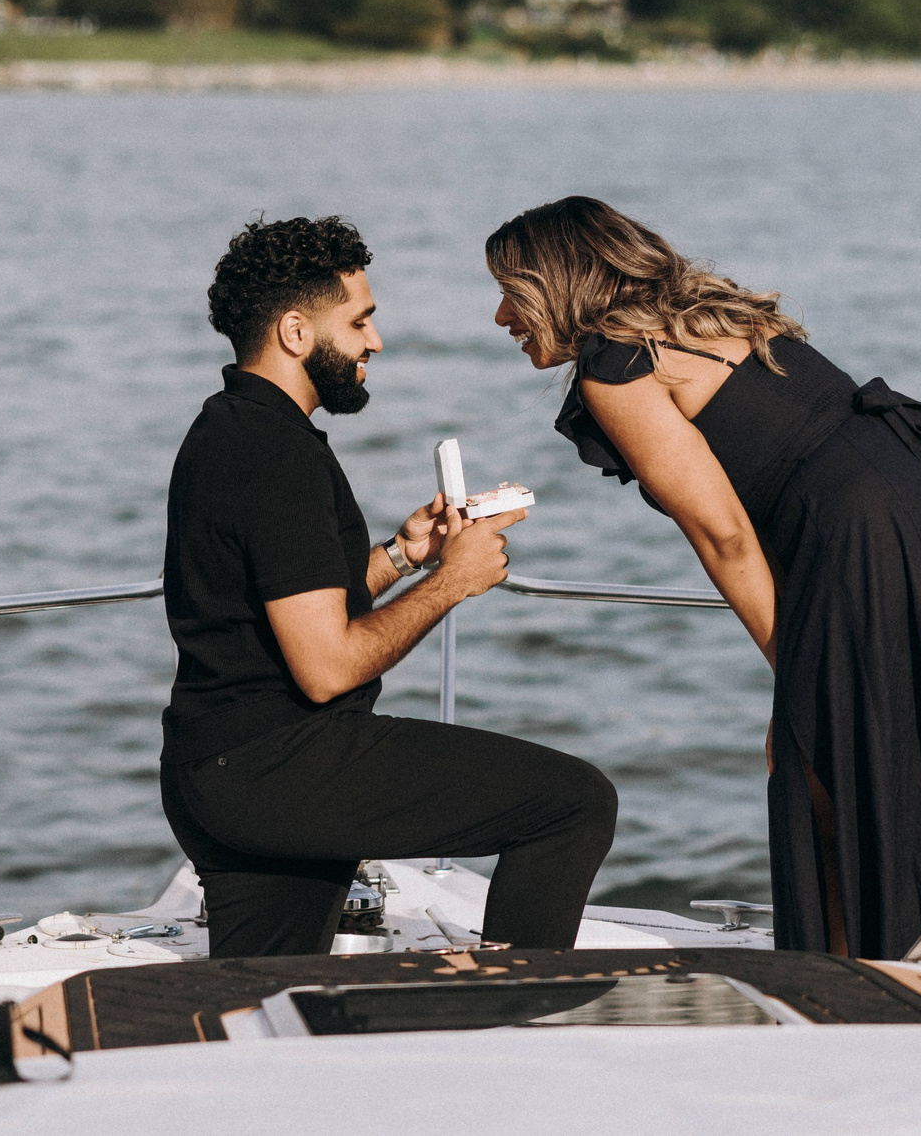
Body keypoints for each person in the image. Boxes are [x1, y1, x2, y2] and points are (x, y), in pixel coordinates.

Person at [485, 196, 921, 972]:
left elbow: (723, 534)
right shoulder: (708, 315)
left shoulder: (618, 368)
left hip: (862, 536)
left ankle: (860, 991)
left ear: (556, 282)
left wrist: (796, 680)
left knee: (821, 767)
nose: (500, 315)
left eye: (510, 291)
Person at [160, 214, 617, 958]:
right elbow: (326, 665)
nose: (375, 342)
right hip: (283, 767)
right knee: (571, 803)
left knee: (269, 991)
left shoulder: (228, 431)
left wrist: (405, 556)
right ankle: (512, 1016)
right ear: (296, 332)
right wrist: (453, 584)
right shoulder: (275, 456)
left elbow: (282, 600)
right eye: (361, 321)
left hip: (215, 773)